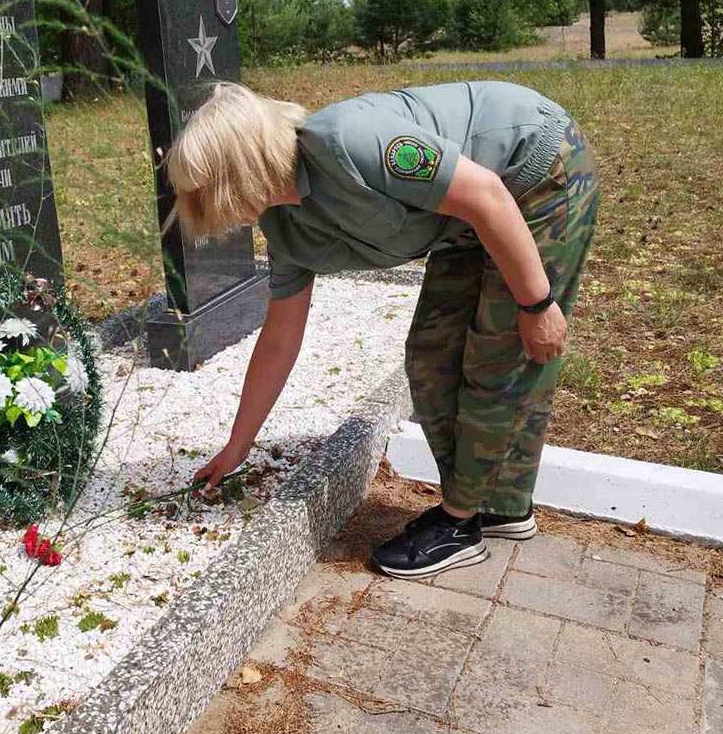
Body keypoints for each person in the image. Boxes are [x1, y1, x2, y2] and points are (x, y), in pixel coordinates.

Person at [166, 79, 599, 579]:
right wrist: (238, 445)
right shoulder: (284, 227)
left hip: (536, 172)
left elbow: (486, 193)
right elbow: (280, 336)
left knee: (497, 356)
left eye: (208, 194)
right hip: (466, 221)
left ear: (238, 172)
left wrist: (537, 303)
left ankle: (459, 524)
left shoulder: (349, 140)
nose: (211, 213)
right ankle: (499, 507)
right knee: (431, 355)